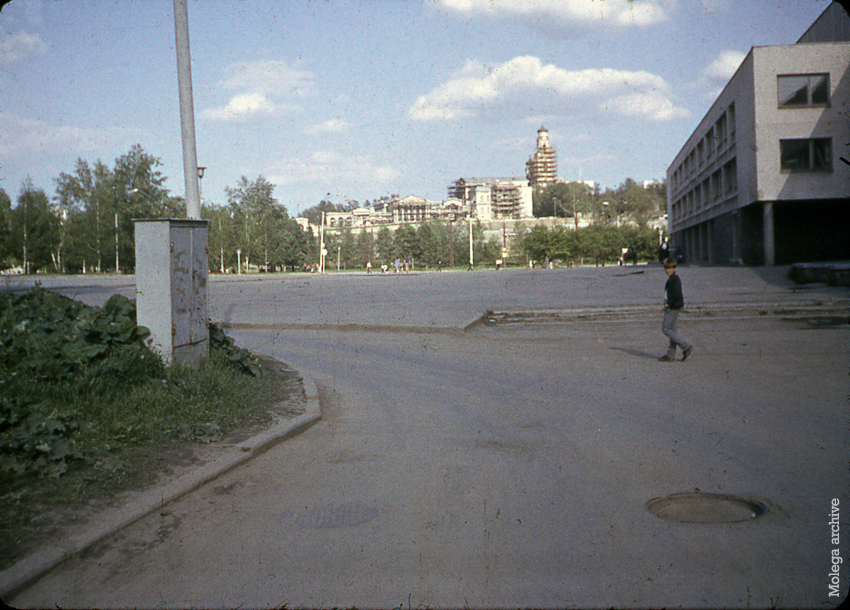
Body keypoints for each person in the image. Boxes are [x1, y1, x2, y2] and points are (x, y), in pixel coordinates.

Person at [659, 257, 693, 362]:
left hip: (672, 307)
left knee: (665, 328)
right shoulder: (672, 279)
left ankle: (685, 346)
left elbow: (677, 294)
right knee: (672, 330)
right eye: (666, 268)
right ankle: (671, 354)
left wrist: (668, 303)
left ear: (674, 268)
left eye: (670, 268)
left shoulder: (675, 280)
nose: (667, 270)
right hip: (673, 306)